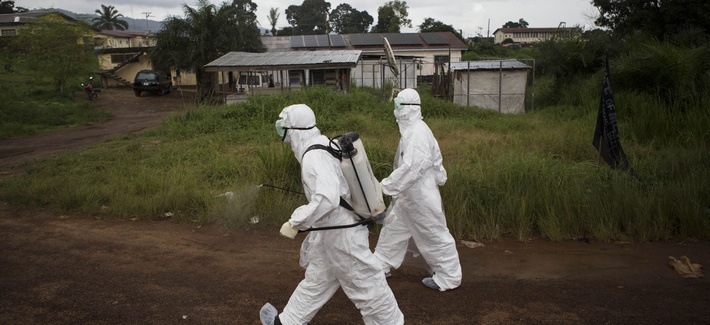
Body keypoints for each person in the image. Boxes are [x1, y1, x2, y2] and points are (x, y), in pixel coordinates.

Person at [260, 104, 404, 325]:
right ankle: (287, 321)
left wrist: (296, 221)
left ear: (294, 128)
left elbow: (328, 198)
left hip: (342, 235)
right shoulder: (321, 143)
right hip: (333, 231)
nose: (281, 132)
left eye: (283, 126)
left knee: (368, 286)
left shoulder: (312, 156)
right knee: (318, 279)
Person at [374, 88, 462, 292]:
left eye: (397, 105)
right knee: (392, 229)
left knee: (433, 234)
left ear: (408, 108)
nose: (394, 109)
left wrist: (385, 187)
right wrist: (439, 174)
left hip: (420, 196)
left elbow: (413, 168)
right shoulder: (411, 130)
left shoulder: (418, 132)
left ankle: (449, 277)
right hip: (407, 196)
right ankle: (380, 265)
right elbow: (434, 160)